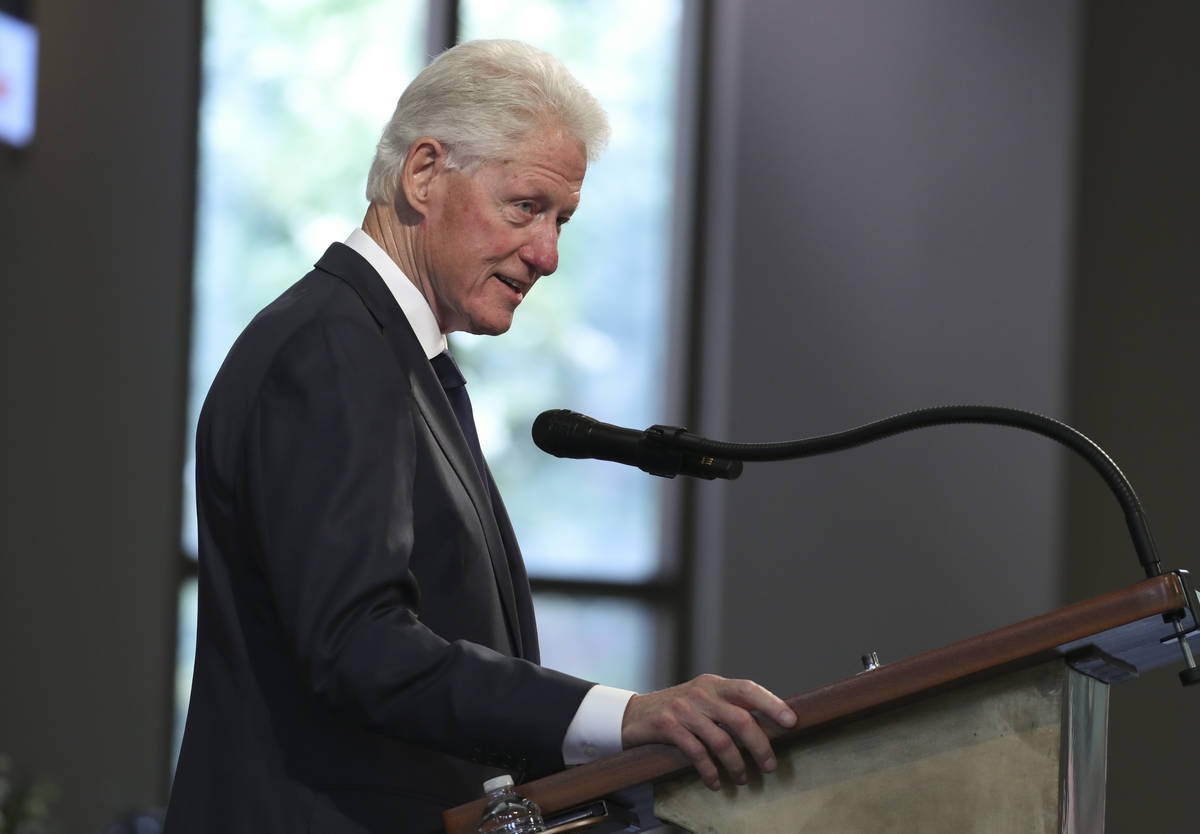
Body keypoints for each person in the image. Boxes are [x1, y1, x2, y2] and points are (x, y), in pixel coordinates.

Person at [164, 39, 796, 834]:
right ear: (423, 173)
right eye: (526, 207)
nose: (548, 254)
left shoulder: (387, 350)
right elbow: (358, 647)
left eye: (562, 219)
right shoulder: (333, 346)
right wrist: (626, 714)